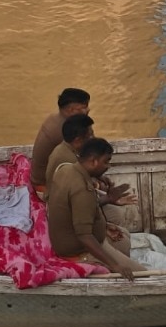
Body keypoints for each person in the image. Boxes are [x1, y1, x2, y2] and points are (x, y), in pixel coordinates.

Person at [46, 138, 142, 281]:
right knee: (143, 276)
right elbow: (84, 236)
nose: (107, 166)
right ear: (93, 161)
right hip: (79, 252)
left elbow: (75, 209)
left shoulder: (66, 169)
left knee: (124, 238)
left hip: (70, 239)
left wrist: (104, 225)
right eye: (106, 162)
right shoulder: (82, 189)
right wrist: (115, 265)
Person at [44, 114, 137, 212]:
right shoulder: (69, 160)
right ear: (78, 140)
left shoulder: (66, 149)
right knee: (114, 214)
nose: (93, 138)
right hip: (67, 210)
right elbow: (84, 198)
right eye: (91, 136)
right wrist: (108, 197)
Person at [30, 88, 91, 192]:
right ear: (71, 110)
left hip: (39, 176)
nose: (88, 110)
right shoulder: (65, 130)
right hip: (43, 186)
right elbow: (87, 156)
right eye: (84, 107)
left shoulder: (54, 117)